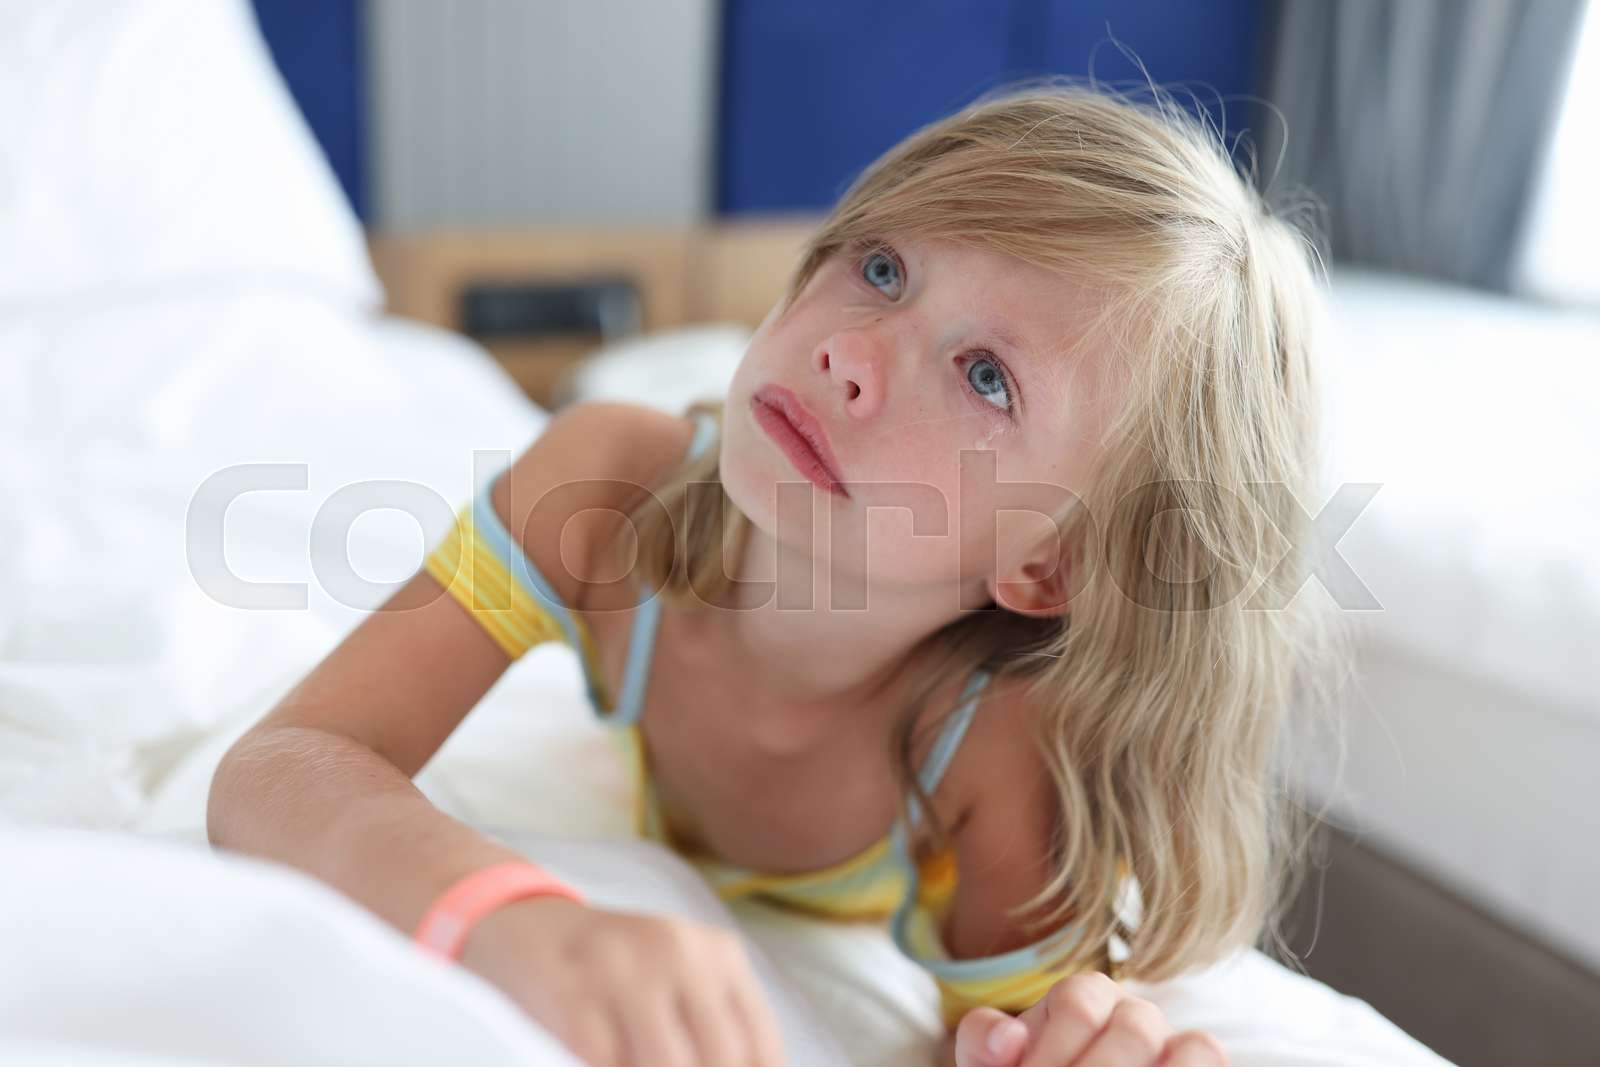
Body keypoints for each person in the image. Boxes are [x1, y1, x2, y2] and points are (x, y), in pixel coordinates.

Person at [209, 81, 1335, 1067]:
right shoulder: (601, 490)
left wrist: (1067, 1040)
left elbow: (987, 1037)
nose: (851, 353)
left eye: (985, 376)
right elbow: (280, 763)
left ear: (1045, 566)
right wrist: (506, 916)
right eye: (882, 267)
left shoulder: (996, 741)